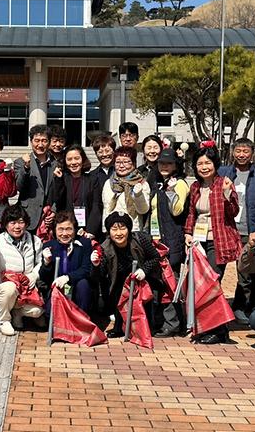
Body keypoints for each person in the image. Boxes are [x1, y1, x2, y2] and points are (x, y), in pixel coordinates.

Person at [184, 141, 241, 344]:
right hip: (198, 242)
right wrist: (188, 233)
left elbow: (233, 212)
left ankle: (219, 329)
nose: (204, 167)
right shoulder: (195, 186)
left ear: (215, 164)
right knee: (200, 285)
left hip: (218, 242)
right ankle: (207, 326)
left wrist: (227, 194)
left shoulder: (223, 183)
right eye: (200, 164)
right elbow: (192, 213)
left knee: (212, 284)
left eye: (207, 162)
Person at [218, 138, 255, 325]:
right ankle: (215, 307)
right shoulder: (223, 172)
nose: (241, 155)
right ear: (233, 152)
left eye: (245, 151)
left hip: (248, 231)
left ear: (252, 154)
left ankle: (240, 306)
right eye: (238, 151)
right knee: (217, 270)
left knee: (245, 273)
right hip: (225, 230)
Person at [93, 212, 161, 338]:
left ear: (129, 229)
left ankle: (149, 326)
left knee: (146, 295)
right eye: (114, 229)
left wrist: (144, 271)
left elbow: (155, 257)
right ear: (109, 231)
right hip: (119, 278)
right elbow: (100, 274)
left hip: (142, 277)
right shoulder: (104, 247)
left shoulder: (140, 239)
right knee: (116, 292)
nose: (119, 233)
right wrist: (95, 264)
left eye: (122, 228)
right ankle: (119, 326)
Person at [0, 204, 45, 336]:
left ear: (26, 224)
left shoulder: (35, 241)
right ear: (5, 224)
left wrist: (34, 275)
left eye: (21, 222)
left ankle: (17, 313)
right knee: (9, 288)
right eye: (13, 222)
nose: (17, 226)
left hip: (25, 288)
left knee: (37, 312)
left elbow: (41, 263)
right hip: (0, 287)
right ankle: (4, 320)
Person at [148, 148, 190, 337]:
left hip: (172, 241)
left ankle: (173, 323)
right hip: (157, 239)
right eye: (161, 163)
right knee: (160, 282)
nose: (164, 166)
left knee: (170, 282)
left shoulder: (179, 184)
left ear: (176, 165)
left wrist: (172, 192)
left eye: (169, 163)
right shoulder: (157, 183)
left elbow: (177, 210)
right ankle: (163, 321)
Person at [39, 211, 94, 315]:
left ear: (75, 229)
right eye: (60, 229)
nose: (64, 234)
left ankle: (82, 320)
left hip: (76, 287)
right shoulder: (49, 246)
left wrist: (68, 277)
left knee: (84, 284)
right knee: (52, 315)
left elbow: (86, 269)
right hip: (58, 289)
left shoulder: (84, 244)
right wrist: (47, 263)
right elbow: (43, 278)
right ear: (55, 231)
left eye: (68, 229)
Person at [50, 145, 102, 239]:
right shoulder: (62, 179)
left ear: (83, 159)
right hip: (66, 230)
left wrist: (90, 231)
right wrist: (58, 180)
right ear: (65, 162)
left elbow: (96, 206)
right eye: (69, 159)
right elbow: (58, 201)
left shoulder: (92, 180)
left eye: (77, 158)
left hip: (87, 230)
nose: (73, 162)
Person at [14, 125, 56, 232]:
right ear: (31, 142)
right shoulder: (21, 162)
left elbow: (59, 191)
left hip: (48, 218)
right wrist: (26, 168)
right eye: (37, 140)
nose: (40, 145)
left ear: (49, 142)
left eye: (44, 141)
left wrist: (54, 211)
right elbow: (19, 186)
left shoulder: (56, 164)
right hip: (28, 216)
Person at [102, 146, 150, 231]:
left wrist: (138, 195)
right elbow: (106, 209)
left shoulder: (142, 183)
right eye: (118, 162)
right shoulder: (108, 183)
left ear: (134, 163)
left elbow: (143, 210)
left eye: (126, 162)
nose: (121, 166)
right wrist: (105, 229)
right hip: (112, 231)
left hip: (133, 230)